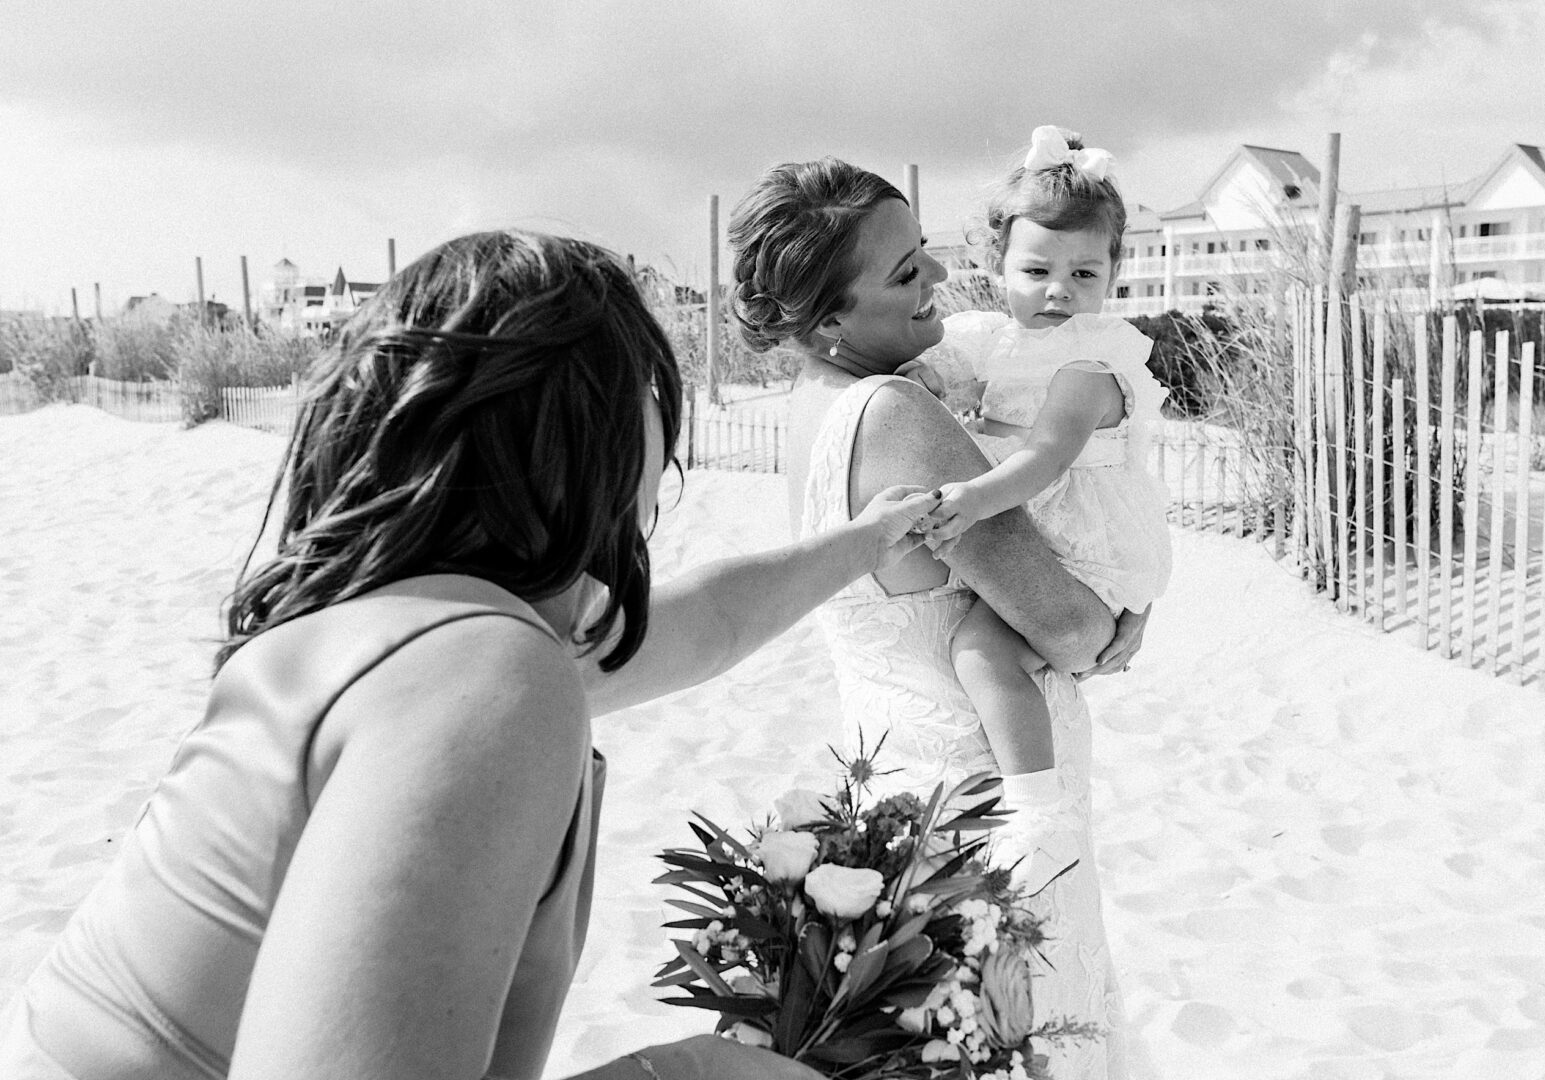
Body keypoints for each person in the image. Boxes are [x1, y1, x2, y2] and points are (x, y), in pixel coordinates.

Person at [0, 230, 941, 1080]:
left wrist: (867, 539)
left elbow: (703, 623)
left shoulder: (409, 625)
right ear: (586, 430)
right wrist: (686, 1076)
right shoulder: (485, 672)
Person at [729, 158, 1144, 1077]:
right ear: (830, 315)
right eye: (906, 271)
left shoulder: (815, 409)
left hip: (893, 792)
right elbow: (1071, 629)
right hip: (991, 820)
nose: (941, 278)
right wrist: (1124, 615)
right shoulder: (900, 413)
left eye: (926, 252)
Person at [899, 124, 1173, 805]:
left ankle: (1032, 801)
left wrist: (973, 498)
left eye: (1083, 274)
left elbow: (1047, 455)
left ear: (1114, 274)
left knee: (981, 652)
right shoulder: (995, 340)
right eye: (1036, 271)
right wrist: (928, 383)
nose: (1059, 291)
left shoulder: (1092, 362)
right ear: (999, 266)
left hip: (1083, 555)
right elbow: (936, 374)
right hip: (1029, 532)